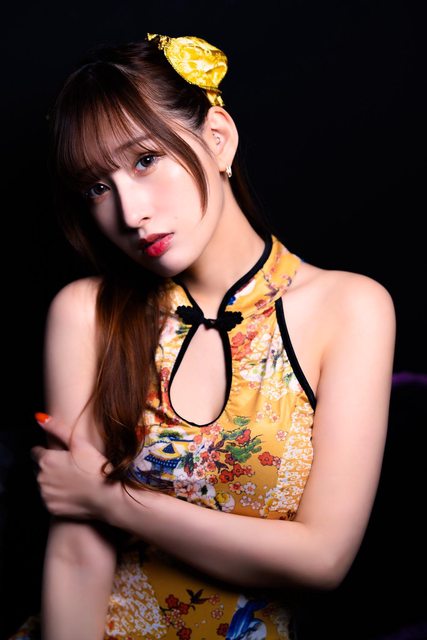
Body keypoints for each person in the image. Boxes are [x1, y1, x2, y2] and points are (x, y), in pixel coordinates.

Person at [11, 32, 395, 640]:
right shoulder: (88, 312)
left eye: (145, 160)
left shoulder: (349, 308)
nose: (129, 213)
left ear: (217, 138)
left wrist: (108, 499)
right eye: (96, 187)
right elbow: (77, 556)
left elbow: (323, 560)